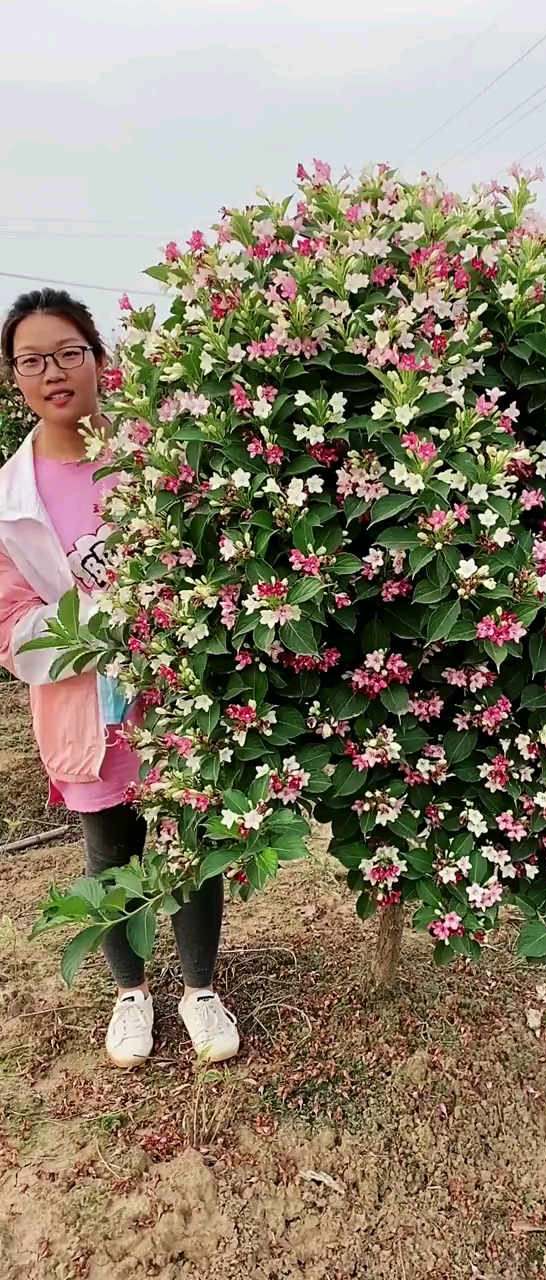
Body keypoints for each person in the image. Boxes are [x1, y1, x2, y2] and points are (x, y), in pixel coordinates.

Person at [0, 289, 239, 1069]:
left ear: (101, 361)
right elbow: (10, 626)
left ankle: (200, 988)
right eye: (31, 360)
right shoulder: (11, 499)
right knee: (111, 849)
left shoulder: (154, 453)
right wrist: (102, 620)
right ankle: (130, 992)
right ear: (15, 379)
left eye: (69, 352)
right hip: (89, 709)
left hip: (179, 695)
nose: (53, 372)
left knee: (194, 837)